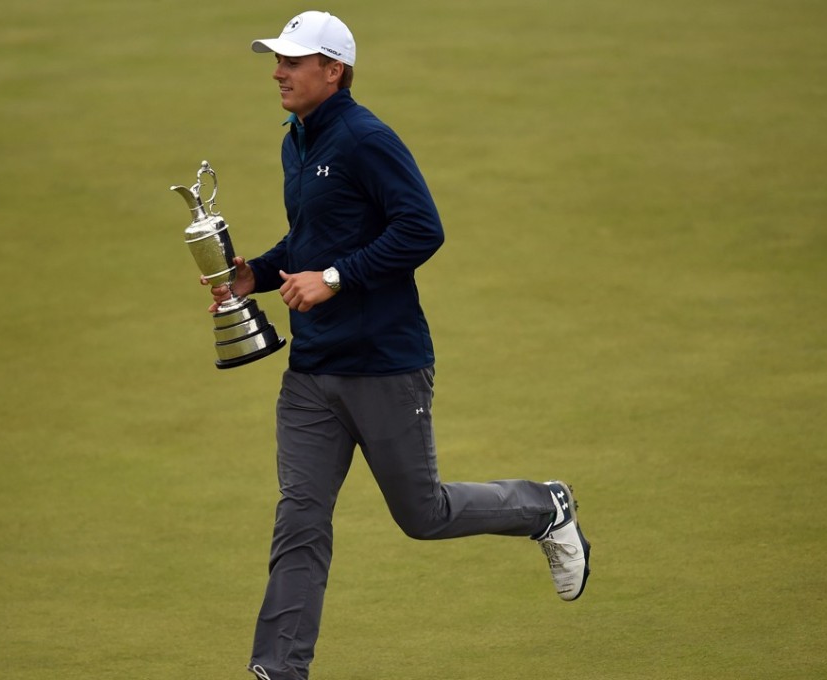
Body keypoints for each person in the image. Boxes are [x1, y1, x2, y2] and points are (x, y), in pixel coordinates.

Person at [202, 11, 592, 680]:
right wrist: (257, 274)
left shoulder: (365, 139)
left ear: (334, 71)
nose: (278, 71)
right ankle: (278, 670)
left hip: (385, 367)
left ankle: (544, 506)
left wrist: (332, 279)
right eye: (277, 59)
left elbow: (421, 229)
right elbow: (313, 236)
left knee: (424, 515)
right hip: (311, 373)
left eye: (293, 62)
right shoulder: (296, 140)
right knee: (299, 520)